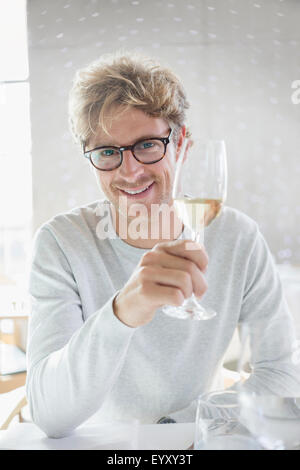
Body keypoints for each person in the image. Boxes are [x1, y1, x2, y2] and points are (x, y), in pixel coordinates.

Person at [26, 51, 300, 438]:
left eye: (148, 145)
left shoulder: (238, 237)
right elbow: (50, 416)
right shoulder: (61, 243)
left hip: (196, 443)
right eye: (107, 152)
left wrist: (176, 428)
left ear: (182, 143)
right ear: (90, 159)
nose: (131, 170)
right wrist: (123, 312)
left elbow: (282, 373)